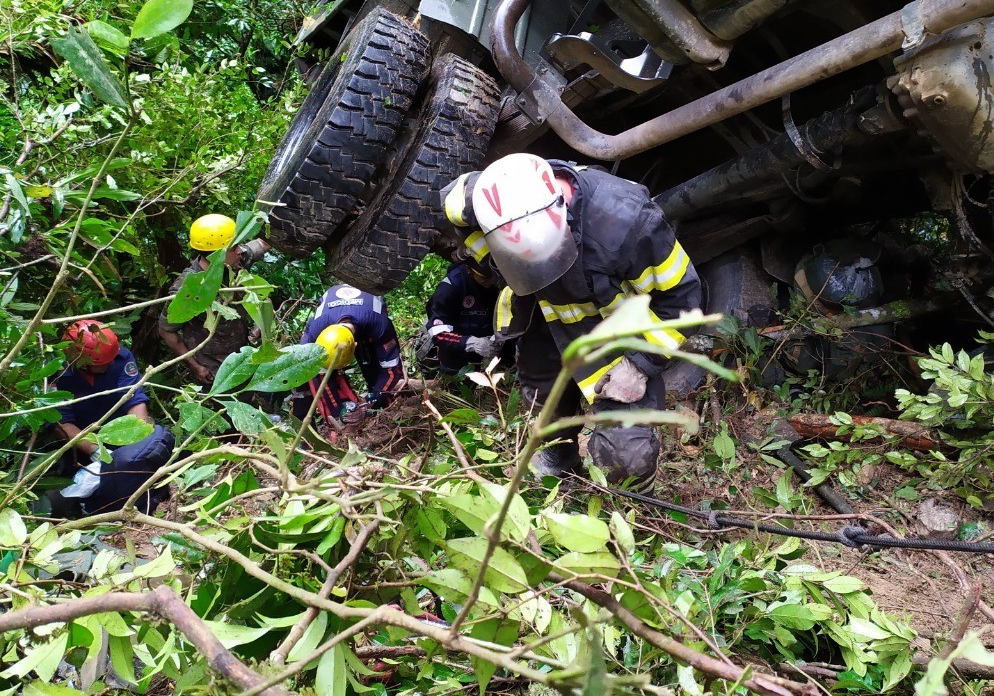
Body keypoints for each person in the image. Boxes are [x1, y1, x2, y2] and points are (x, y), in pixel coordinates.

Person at [442, 152, 702, 488]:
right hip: (543, 317)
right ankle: (559, 465)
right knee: (544, 405)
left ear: (560, 207)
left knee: (626, 455)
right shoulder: (474, 199)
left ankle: (639, 502)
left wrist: (639, 364)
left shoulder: (627, 223)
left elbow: (682, 302)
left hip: (615, 339)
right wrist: (489, 255)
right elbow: (452, 210)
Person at [43, 319, 173, 516]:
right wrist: (97, 451)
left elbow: (135, 400)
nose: (111, 363)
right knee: (76, 498)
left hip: (121, 434)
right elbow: (61, 423)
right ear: (81, 360)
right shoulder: (55, 373)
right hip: (79, 445)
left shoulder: (120, 358)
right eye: (103, 362)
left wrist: (137, 442)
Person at [158, 213, 269, 386]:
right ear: (215, 255)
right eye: (234, 248)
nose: (240, 250)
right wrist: (195, 366)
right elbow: (166, 331)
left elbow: (262, 244)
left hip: (242, 354)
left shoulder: (234, 261)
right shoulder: (187, 290)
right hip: (214, 367)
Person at [293, 284, 404, 424]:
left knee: (372, 369)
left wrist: (373, 400)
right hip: (331, 317)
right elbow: (321, 375)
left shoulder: (380, 326)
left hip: (367, 319)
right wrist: (337, 410)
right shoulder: (315, 334)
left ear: (355, 346)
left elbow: (392, 369)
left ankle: (379, 416)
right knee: (305, 373)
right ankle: (303, 424)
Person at [421, 256, 505, 375]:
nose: (488, 281)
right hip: (457, 357)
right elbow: (439, 334)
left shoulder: (498, 285)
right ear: (470, 270)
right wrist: (471, 343)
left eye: (492, 277)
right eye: (483, 277)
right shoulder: (449, 288)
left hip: (493, 354)